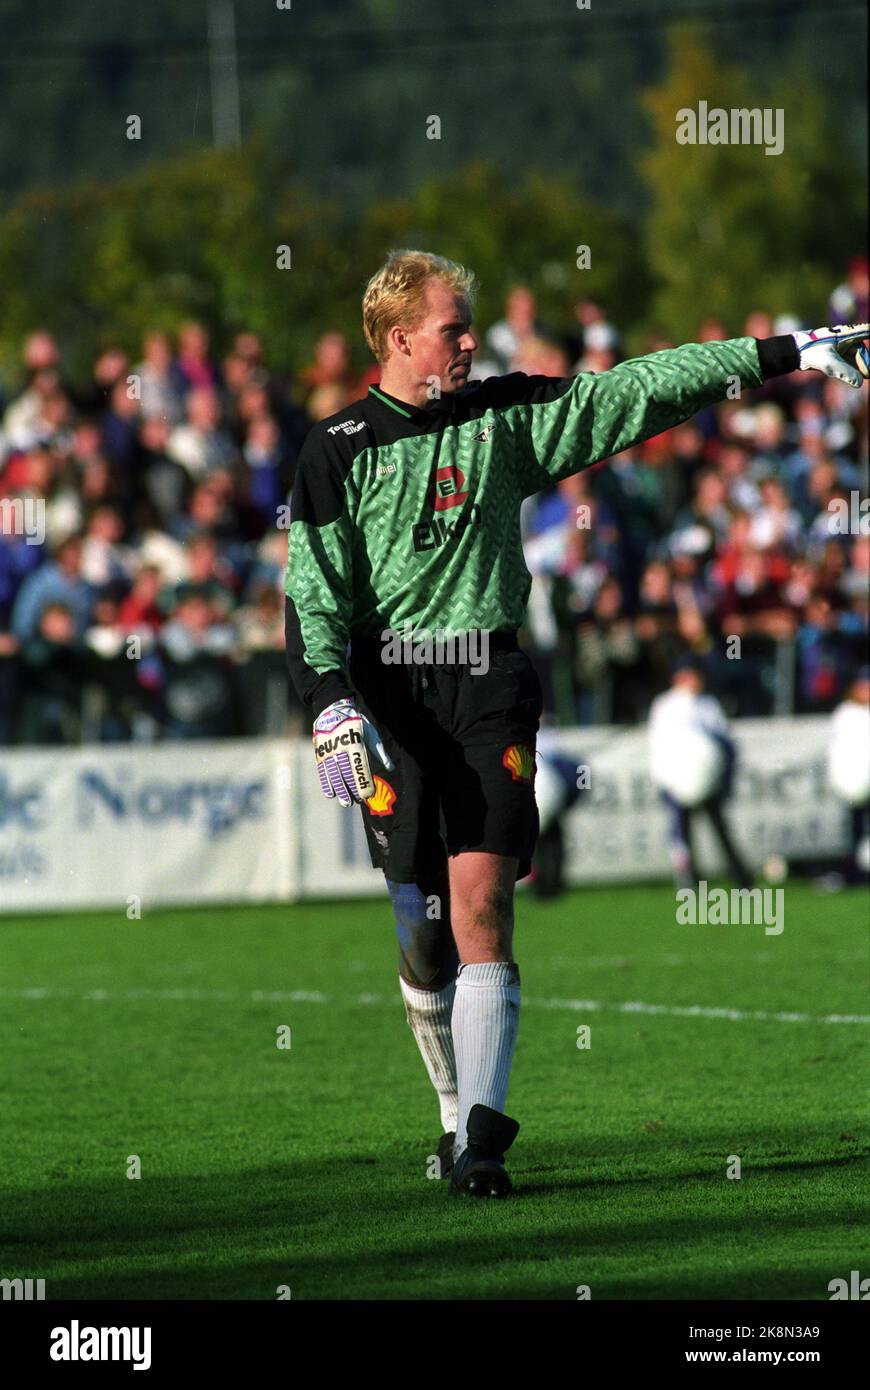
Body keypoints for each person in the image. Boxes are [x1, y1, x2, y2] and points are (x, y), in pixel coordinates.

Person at [284, 247, 867, 1197]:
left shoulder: (507, 415)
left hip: (491, 684)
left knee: (482, 907)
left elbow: (640, 388)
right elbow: (311, 595)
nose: (473, 341)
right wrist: (328, 703)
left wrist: (787, 351)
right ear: (399, 339)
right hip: (389, 699)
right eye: (453, 327)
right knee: (422, 927)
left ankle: (481, 1141)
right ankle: (449, 1109)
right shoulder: (334, 448)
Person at [648, 656, 752, 890]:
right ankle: (689, 880)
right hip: (677, 779)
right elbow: (660, 745)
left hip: (708, 778)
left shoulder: (708, 704)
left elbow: (724, 740)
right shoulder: (665, 705)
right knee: (681, 833)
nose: (697, 680)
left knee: (720, 829)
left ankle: (740, 877)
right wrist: (665, 779)